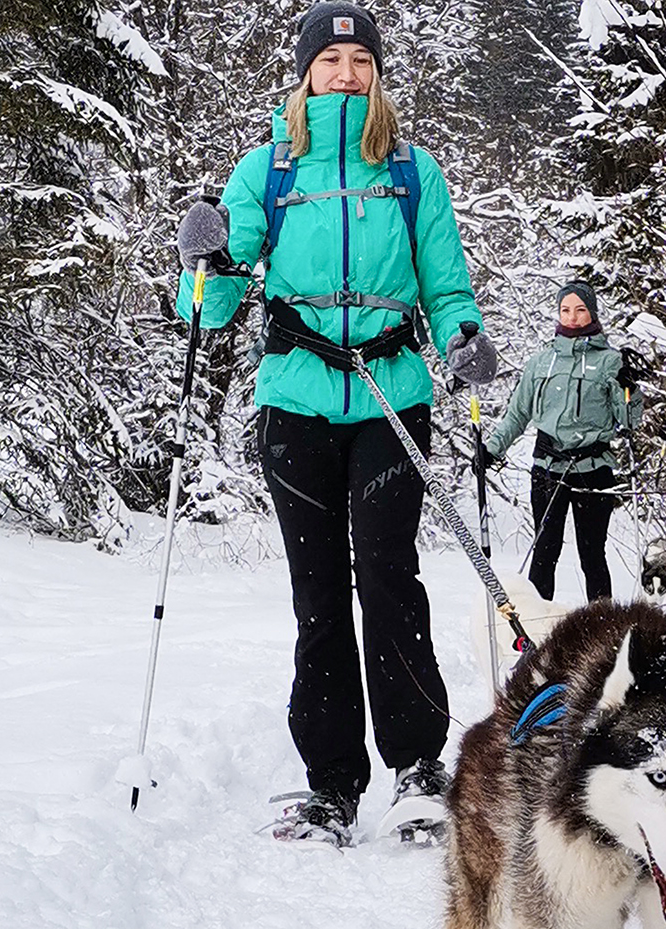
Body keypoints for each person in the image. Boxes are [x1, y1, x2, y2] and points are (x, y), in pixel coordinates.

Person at [174, 2, 499, 846]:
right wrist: (205, 260)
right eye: (330, 62)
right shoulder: (268, 170)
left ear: (377, 74)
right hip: (296, 401)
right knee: (317, 592)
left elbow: (446, 285)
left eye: (360, 63)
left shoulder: (413, 172)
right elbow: (212, 306)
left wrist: (464, 337)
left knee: (390, 578)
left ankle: (418, 766)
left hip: (392, 394)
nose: (346, 75)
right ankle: (331, 784)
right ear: (306, 74)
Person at [477, 281, 642, 602]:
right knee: (544, 550)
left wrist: (630, 389)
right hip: (547, 467)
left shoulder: (610, 361)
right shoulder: (541, 361)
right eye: (565, 310)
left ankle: (602, 624)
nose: (572, 317)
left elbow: (629, 421)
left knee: (592, 554)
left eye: (580, 310)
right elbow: (518, 413)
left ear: (592, 313)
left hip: (593, 468)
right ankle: (538, 625)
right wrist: (491, 449)